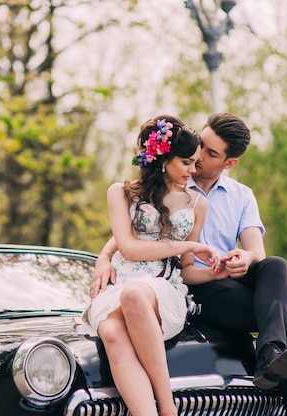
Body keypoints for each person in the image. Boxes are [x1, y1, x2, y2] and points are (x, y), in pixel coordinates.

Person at [91, 112, 287, 416]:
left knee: (275, 267)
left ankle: (270, 354)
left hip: (216, 278)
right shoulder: (171, 179)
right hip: (191, 287)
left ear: (229, 163)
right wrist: (103, 257)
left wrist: (244, 259)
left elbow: (256, 254)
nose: (196, 162)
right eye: (198, 149)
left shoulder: (240, 196)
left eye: (209, 154)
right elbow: (132, 235)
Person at [80, 115, 220, 416]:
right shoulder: (120, 192)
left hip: (164, 289)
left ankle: (167, 406)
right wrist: (190, 246)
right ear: (164, 158)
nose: (193, 170)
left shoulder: (197, 203)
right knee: (113, 333)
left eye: (196, 162)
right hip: (119, 285)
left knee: (135, 294)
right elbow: (128, 248)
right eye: (186, 162)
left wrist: (215, 271)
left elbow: (186, 269)